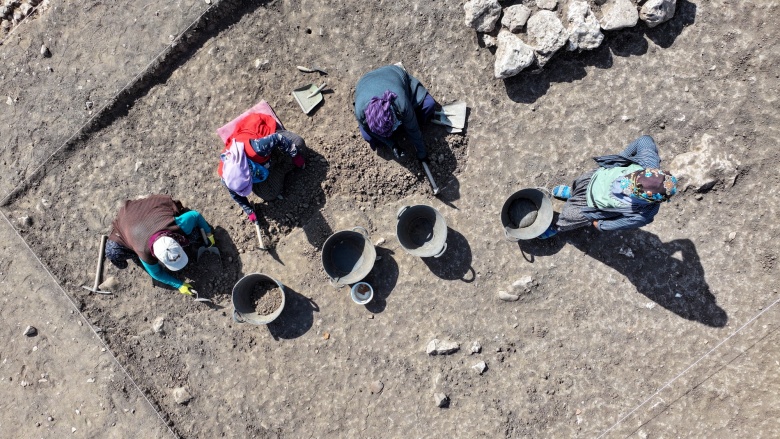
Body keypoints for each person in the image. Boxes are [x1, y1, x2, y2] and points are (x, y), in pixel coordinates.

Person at [539, 135, 678, 239]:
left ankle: (558, 226)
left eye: (629, 190)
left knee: (570, 216)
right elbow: (645, 140)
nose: (623, 184)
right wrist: (623, 156)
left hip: (591, 205)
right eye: (630, 178)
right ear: (648, 171)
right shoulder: (649, 162)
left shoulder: (644, 213)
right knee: (578, 183)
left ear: (648, 200)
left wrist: (598, 224)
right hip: (593, 179)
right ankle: (572, 193)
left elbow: (623, 222)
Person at [104, 194, 214, 295]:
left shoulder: (178, 225)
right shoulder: (143, 252)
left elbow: (195, 215)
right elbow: (156, 274)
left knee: (195, 235)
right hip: (128, 217)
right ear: (156, 256)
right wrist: (179, 285)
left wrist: (209, 233)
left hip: (146, 212)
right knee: (112, 252)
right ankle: (133, 248)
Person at [217, 112, 306, 224]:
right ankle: (282, 166)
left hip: (266, 145)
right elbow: (235, 194)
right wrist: (249, 211)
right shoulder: (227, 178)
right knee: (269, 194)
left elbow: (278, 138)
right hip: (261, 168)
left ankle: (281, 163)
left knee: (299, 144)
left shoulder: (256, 149)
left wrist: (296, 156)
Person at [354, 64, 437, 161]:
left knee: (429, 105)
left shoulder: (400, 102)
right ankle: (401, 124)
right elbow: (369, 130)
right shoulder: (360, 113)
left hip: (392, 74)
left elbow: (414, 130)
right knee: (368, 137)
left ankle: (405, 120)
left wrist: (422, 154)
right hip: (364, 82)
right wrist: (393, 145)